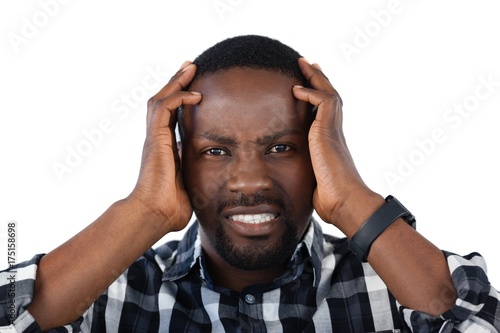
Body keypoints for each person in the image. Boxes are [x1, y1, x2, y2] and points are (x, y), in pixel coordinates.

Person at [1, 35, 499, 332]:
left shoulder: (396, 289)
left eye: (281, 147)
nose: (248, 180)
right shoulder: (107, 295)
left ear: (323, 156)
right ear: (177, 163)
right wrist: (143, 211)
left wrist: (352, 200)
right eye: (214, 151)